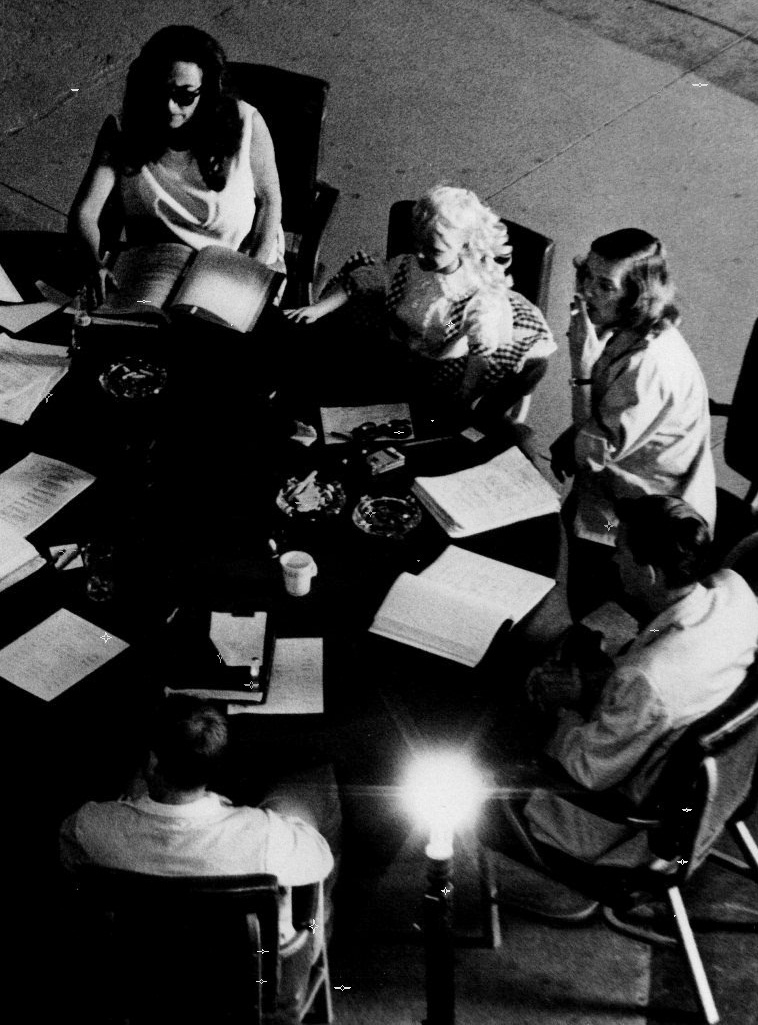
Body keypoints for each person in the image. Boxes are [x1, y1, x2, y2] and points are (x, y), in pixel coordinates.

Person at [480, 496, 758, 920]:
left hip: (623, 830)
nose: (614, 560)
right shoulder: (734, 591)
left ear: (648, 573)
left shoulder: (647, 679)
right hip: (723, 789)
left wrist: (570, 705)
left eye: (621, 550)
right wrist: (599, 688)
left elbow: (585, 771)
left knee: (480, 745)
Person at [60, 698, 339, 1022]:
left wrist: (133, 802)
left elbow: (67, 859)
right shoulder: (264, 833)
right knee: (312, 788)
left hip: (138, 983)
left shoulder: (92, 825)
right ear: (215, 765)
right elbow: (321, 860)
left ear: (151, 763)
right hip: (256, 986)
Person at [282, 185, 555, 423]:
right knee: (339, 360)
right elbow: (362, 281)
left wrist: (465, 395)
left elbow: (477, 356)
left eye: (434, 250)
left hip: (445, 349)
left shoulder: (474, 298)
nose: (421, 254)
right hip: (401, 337)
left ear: (463, 247)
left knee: (427, 415)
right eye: (418, 244)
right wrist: (318, 309)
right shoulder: (409, 266)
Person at [550, 229, 716, 617]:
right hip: (619, 479)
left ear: (635, 295)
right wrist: (574, 431)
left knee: (570, 583)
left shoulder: (649, 364)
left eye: (604, 285)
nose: (588, 291)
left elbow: (590, 455)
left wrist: (581, 371)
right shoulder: (625, 326)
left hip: (649, 523)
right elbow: (602, 423)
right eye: (586, 276)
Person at [69, 25, 284, 303]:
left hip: (234, 265)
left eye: (185, 95)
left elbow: (271, 201)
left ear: (206, 91)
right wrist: (94, 265)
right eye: (161, 92)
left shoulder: (247, 124)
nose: (170, 106)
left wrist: (252, 270)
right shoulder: (123, 130)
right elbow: (86, 211)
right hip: (157, 268)